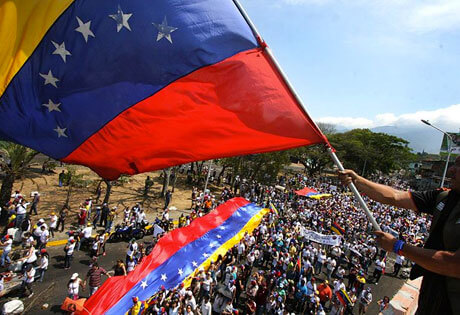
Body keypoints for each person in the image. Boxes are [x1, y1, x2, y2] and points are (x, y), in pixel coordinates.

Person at [338, 156, 460, 315]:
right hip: (430, 297)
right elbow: (395, 196)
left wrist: (398, 246)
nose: (451, 169)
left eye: (459, 165)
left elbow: (455, 265)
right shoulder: (444, 196)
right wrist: (358, 180)